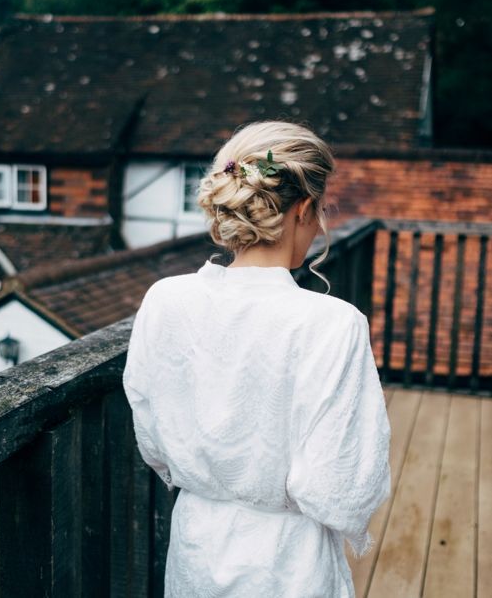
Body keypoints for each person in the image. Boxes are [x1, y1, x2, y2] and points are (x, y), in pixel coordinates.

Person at [122, 120, 391, 597]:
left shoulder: (166, 299)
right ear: (304, 209)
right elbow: (340, 483)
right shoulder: (332, 323)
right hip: (288, 559)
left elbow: (153, 438)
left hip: (196, 542)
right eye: (322, 209)